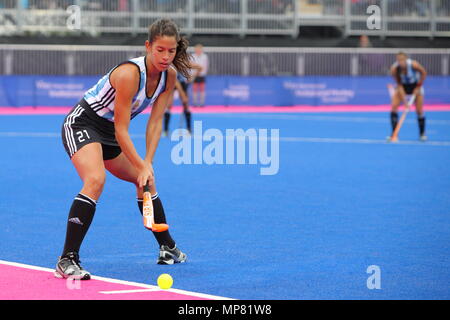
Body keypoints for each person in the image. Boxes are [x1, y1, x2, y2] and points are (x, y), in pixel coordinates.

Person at [56, 18, 191, 280]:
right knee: (95, 180)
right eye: (160, 50)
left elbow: (154, 124)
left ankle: (168, 248)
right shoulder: (130, 74)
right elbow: (121, 130)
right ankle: (66, 259)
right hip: (83, 124)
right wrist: (140, 164)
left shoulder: (169, 76)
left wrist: (147, 164)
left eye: (171, 51)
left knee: (146, 181)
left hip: (108, 132)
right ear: (148, 46)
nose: (165, 56)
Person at [389, 52, 427, 141]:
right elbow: (399, 85)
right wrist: (406, 103)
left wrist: (418, 86)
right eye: (399, 60)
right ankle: (394, 134)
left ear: (406, 59)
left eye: (402, 60)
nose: (401, 62)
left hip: (416, 86)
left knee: (419, 110)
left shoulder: (414, 65)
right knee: (394, 107)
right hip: (403, 87)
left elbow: (424, 73)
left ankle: (422, 134)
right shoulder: (395, 69)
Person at [163, 63, 202, 136]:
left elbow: (200, 68)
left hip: (182, 84)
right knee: (169, 105)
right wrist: (182, 94)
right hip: (172, 83)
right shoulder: (172, 65)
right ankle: (165, 130)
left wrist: (191, 78)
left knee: (186, 106)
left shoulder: (183, 63)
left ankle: (189, 128)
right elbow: (176, 82)